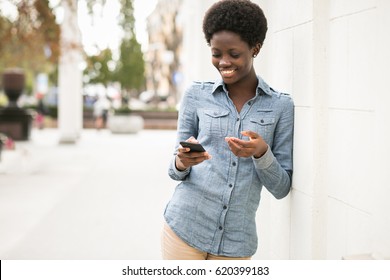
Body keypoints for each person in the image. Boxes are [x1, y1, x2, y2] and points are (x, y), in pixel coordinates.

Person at [162, 0, 294, 260]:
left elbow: (282, 188)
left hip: (237, 242)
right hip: (184, 229)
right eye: (216, 53)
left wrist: (261, 153)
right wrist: (182, 160)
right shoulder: (195, 95)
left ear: (255, 49)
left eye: (233, 54)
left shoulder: (281, 106)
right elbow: (174, 171)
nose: (223, 62)